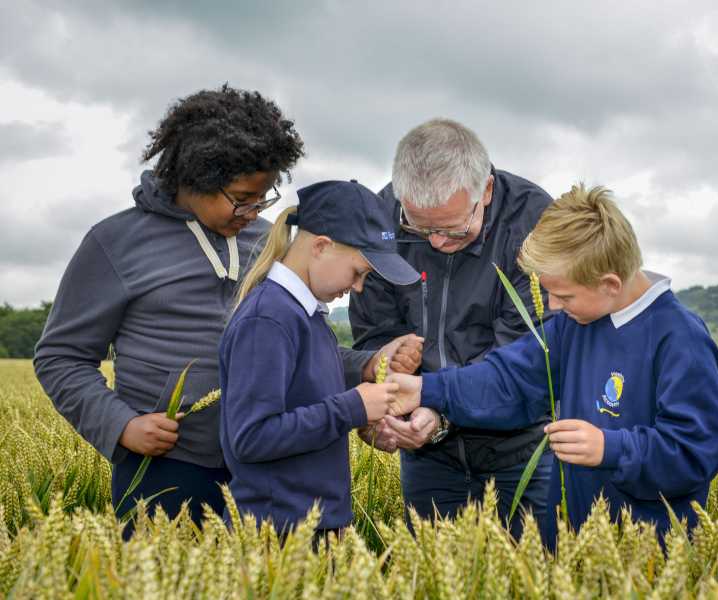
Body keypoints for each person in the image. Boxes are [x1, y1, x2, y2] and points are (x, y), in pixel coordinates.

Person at [33, 85, 411, 529]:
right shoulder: (115, 243)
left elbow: (289, 353)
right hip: (165, 468)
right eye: (242, 198)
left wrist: (367, 366)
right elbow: (61, 357)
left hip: (265, 474)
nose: (253, 212)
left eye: (264, 198)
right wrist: (120, 426)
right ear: (195, 177)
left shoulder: (267, 243)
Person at [387, 184, 718, 547]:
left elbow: (697, 450)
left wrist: (608, 448)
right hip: (574, 547)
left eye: (563, 295)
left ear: (610, 283)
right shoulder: (575, 324)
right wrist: (427, 389)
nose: (551, 304)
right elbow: (509, 380)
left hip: (651, 554)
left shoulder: (680, 338)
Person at [349, 118, 554, 536]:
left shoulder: (536, 223)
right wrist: (382, 403)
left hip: (521, 449)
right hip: (427, 458)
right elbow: (373, 330)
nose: (437, 243)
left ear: (488, 191)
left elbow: (522, 357)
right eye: (420, 229)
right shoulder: (380, 218)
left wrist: (439, 410)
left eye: (454, 228)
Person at [219, 180, 420, 536]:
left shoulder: (304, 314)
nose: (357, 288)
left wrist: (371, 372)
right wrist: (353, 408)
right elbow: (251, 437)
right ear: (321, 246)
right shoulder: (268, 318)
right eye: (358, 272)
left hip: (310, 527)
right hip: (277, 536)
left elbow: (310, 385)